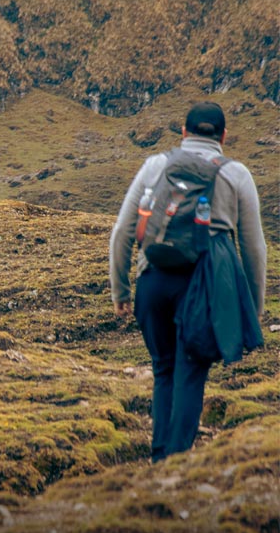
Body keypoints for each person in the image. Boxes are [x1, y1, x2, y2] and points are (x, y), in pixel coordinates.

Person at [109, 101, 266, 462]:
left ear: (184, 132)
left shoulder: (156, 165)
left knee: (163, 368)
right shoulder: (237, 174)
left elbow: (122, 231)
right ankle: (175, 465)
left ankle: (159, 458)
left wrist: (121, 289)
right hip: (203, 287)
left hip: (152, 282)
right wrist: (253, 309)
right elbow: (254, 249)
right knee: (191, 371)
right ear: (224, 136)